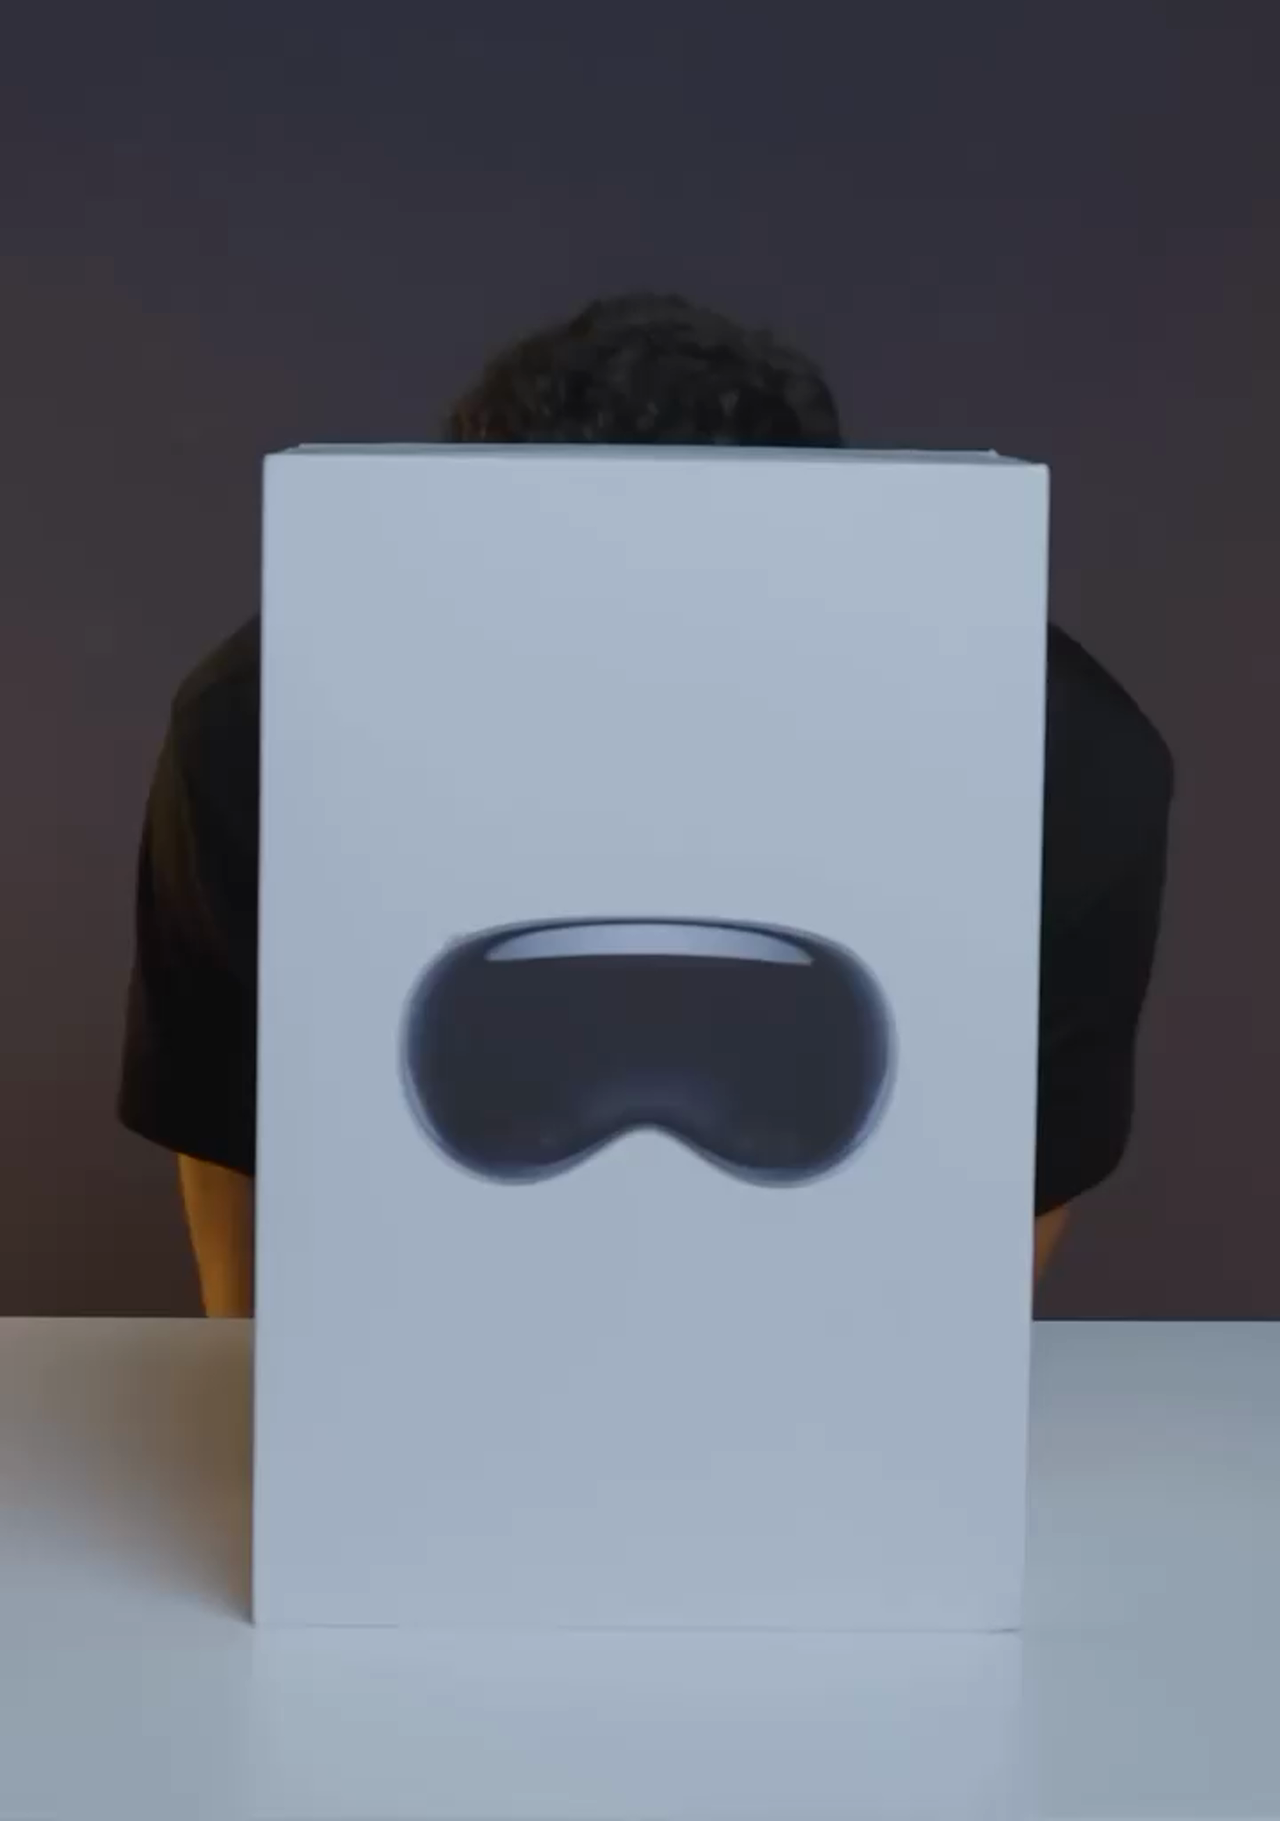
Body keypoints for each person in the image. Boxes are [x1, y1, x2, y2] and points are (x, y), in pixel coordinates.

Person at [118, 292, 1174, 1314]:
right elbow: (223, 1110)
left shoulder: (1055, 752)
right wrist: (268, 1375)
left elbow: (1030, 1156)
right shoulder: (266, 721)